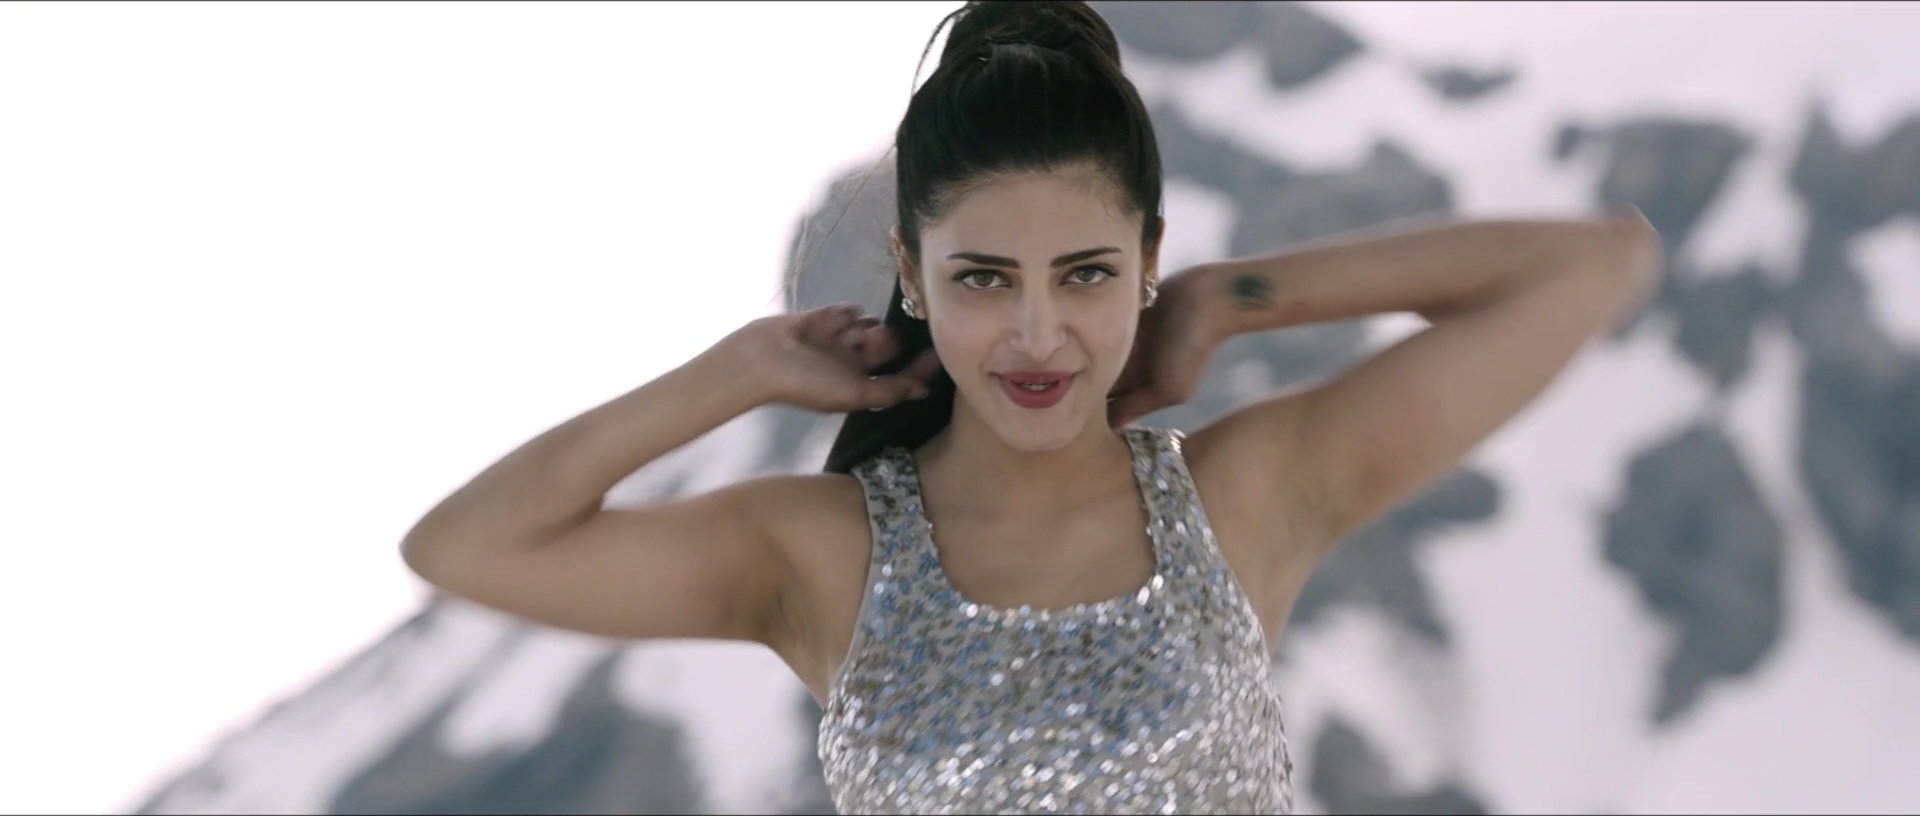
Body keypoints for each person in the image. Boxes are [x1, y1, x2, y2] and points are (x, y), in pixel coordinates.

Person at [400, 2, 1663, 813]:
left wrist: (1238, 297)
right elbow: (466, 547)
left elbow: (1593, 266)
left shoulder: (1245, 498)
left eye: (1087, 274)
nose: (1039, 334)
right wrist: (732, 374)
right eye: (984, 279)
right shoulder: (822, 553)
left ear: (1149, 254)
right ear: (911, 273)